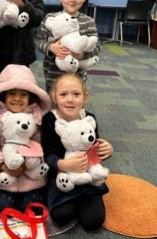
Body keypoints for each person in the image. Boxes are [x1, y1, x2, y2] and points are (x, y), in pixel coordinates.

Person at [41, 73, 113, 231]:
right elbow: (48, 154)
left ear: (84, 97)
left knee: (93, 221)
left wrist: (107, 149)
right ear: (54, 96)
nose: (70, 99)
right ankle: (71, 199)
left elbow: (94, 147)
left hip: (87, 175)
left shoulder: (89, 118)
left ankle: (83, 197)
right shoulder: (49, 120)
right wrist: (64, 164)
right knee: (62, 216)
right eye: (63, 94)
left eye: (76, 94)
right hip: (61, 175)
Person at [0, 64, 51, 217]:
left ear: (30, 97)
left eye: (23, 95)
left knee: (34, 209)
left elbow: (40, 145)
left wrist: (32, 162)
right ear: (3, 96)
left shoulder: (36, 117)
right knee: (3, 209)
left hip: (30, 176)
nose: (17, 98)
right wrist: (1, 165)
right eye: (12, 94)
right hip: (3, 177)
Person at [36, 0, 100, 93]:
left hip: (77, 78)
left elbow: (96, 48)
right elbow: (38, 41)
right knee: (53, 108)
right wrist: (51, 47)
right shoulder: (50, 19)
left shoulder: (88, 22)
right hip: (53, 77)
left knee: (74, 107)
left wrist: (80, 55)